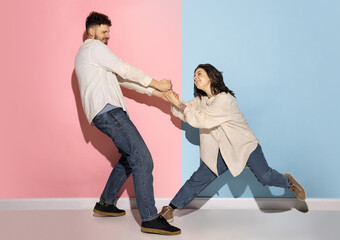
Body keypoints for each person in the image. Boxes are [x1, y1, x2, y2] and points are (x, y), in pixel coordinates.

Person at [74, 11, 180, 235]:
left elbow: (122, 79)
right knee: (143, 159)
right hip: (110, 112)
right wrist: (157, 83)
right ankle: (150, 219)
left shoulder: (90, 56)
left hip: (102, 113)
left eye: (108, 32)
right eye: (104, 31)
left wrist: (156, 93)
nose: (107, 36)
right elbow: (124, 68)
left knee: (129, 157)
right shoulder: (93, 48)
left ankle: (106, 203)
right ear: (91, 31)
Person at [160, 63, 306, 223]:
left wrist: (179, 103)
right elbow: (185, 112)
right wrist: (171, 99)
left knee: (265, 177)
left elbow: (200, 119)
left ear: (211, 76)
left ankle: (288, 182)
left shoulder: (225, 99)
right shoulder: (201, 101)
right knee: (198, 179)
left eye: (199, 74)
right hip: (221, 152)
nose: (195, 77)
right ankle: (170, 209)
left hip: (244, 146)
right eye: (194, 76)